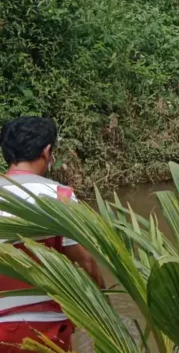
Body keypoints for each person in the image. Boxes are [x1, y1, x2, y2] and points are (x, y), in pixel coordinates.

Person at [0, 117, 104, 352]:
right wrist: (104, 306)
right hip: (44, 331)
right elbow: (86, 263)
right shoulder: (59, 197)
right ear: (47, 152)